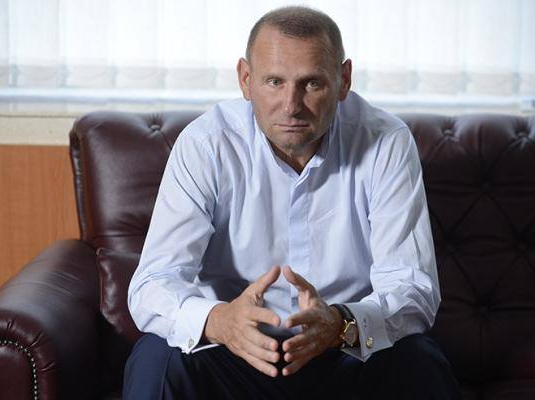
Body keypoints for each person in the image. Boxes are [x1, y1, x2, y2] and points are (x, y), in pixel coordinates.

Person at [124, 5, 460, 399]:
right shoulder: (206, 145)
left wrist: (339, 323)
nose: (291, 105)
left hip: (342, 350)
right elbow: (153, 284)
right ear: (245, 79)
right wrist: (220, 321)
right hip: (236, 352)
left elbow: (413, 287)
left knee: (419, 360)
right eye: (274, 82)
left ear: (343, 80)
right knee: (157, 359)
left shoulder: (386, 141)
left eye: (311, 83)